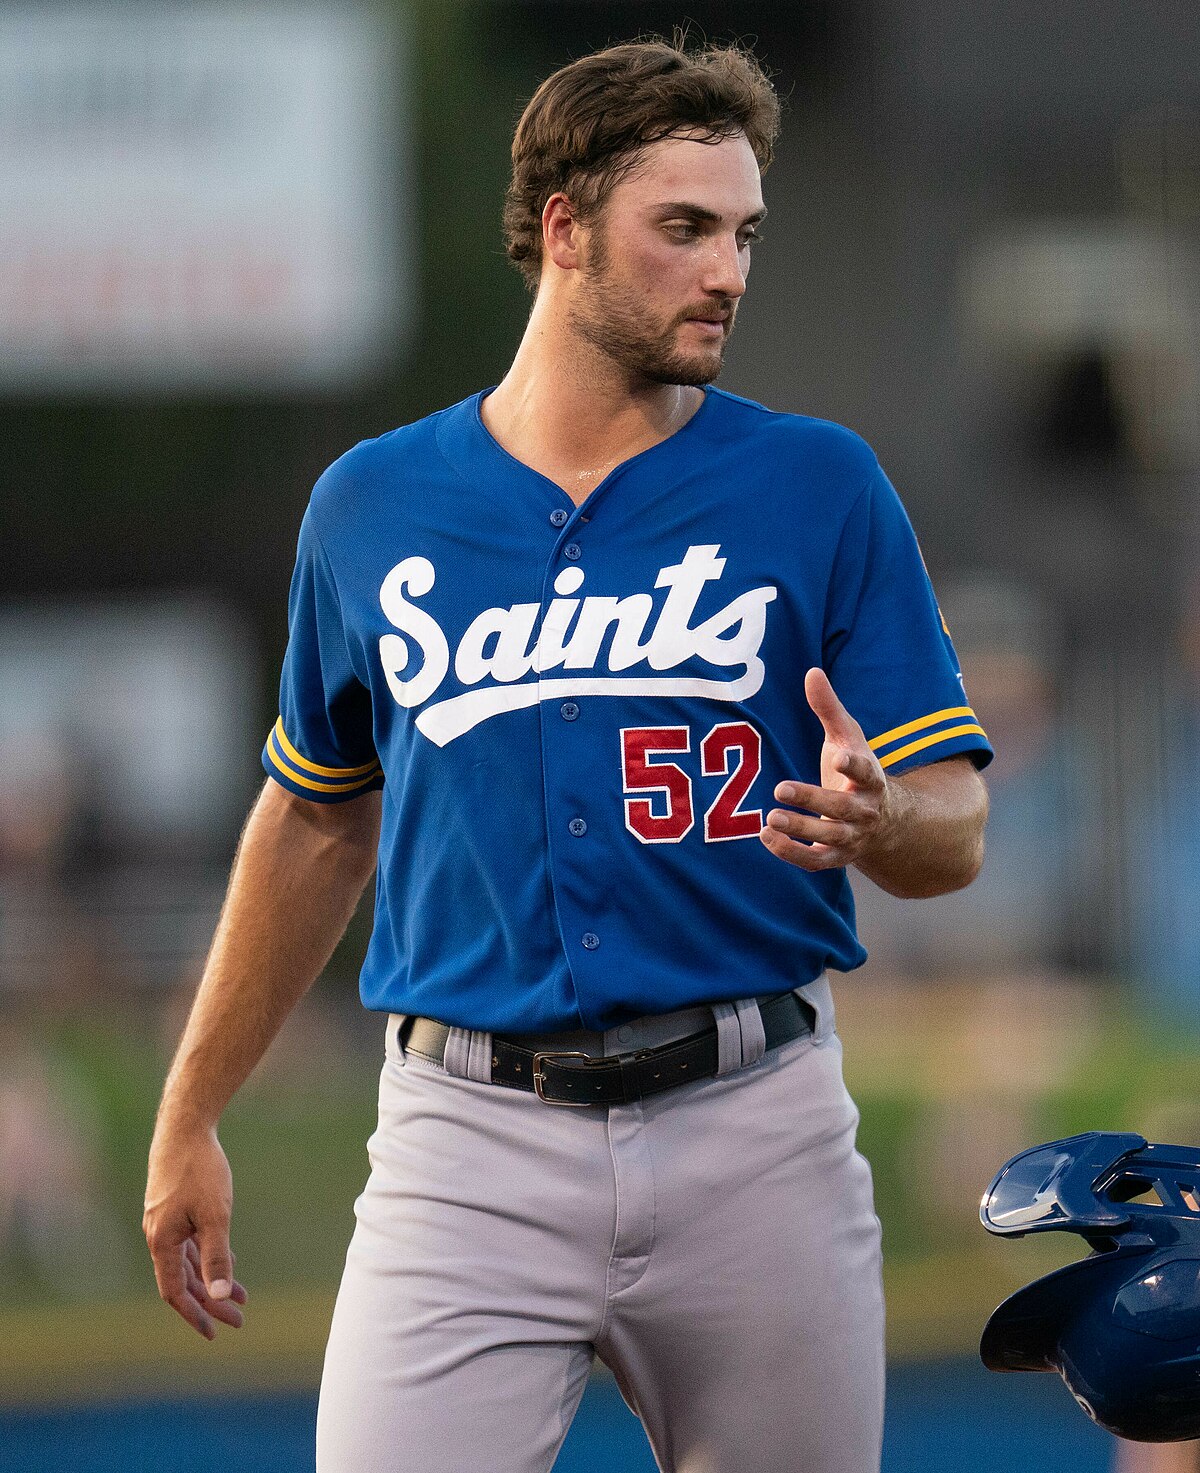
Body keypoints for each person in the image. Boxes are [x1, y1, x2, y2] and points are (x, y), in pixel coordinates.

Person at [143, 37, 992, 1473]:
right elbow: (312, 823)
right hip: (465, 1139)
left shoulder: (818, 484)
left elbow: (954, 824)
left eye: (744, 233)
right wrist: (188, 1112)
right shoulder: (375, 504)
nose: (727, 269)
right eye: (683, 228)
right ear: (561, 231)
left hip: (755, 1120)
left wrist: (879, 820)